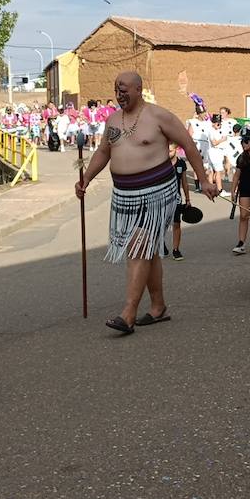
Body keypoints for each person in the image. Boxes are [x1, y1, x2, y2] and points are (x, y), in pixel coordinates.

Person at [76, 72, 217, 335]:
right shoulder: (113, 120)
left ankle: (128, 313)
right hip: (124, 195)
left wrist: (203, 180)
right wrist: (85, 179)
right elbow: (103, 152)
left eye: (124, 90)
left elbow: (188, 144)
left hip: (157, 192)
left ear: (139, 89)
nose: (119, 95)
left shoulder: (159, 116)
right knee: (147, 248)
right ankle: (158, 306)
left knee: (138, 246)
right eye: (116, 90)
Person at [167, 144, 191, 261]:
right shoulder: (160, 163)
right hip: (162, 198)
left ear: (176, 150)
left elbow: (185, 182)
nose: (168, 153)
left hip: (176, 198)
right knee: (161, 224)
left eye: (170, 150)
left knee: (176, 223)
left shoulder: (181, 164)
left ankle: (176, 250)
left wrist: (187, 199)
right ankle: (161, 244)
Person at [185, 105, 211, 194]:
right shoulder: (193, 122)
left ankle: (204, 183)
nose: (204, 114)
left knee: (206, 167)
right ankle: (197, 186)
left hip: (206, 145)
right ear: (198, 114)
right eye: (202, 113)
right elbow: (189, 135)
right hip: (197, 144)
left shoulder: (208, 123)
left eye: (205, 112)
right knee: (197, 165)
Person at [204, 114, 228, 197]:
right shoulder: (211, 131)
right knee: (218, 171)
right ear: (213, 123)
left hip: (217, 152)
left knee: (211, 171)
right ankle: (220, 190)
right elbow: (214, 143)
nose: (219, 125)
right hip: (215, 152)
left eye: (220, 123)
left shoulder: (219, 130)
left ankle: (211, 189)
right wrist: (222, 139)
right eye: (217, 123)